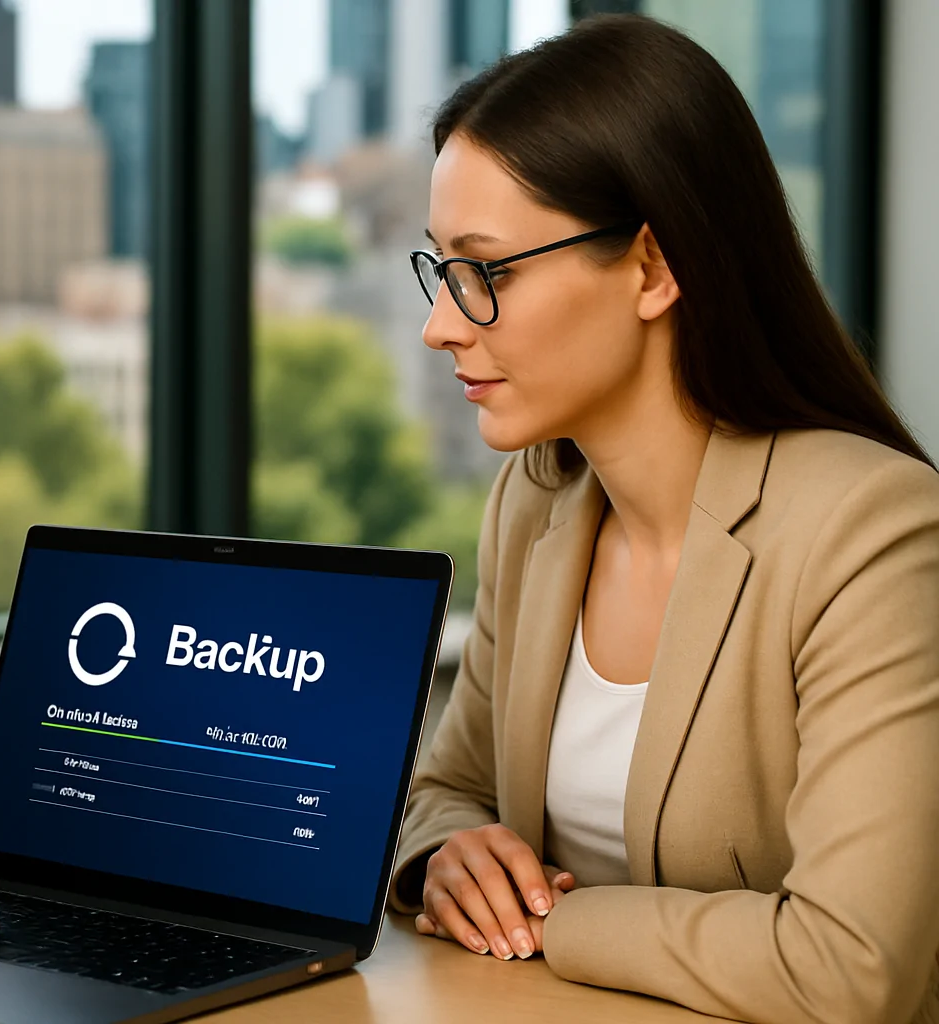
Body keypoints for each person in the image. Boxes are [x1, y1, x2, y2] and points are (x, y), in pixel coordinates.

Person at [392, 14, 939, 1024]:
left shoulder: (871, 533)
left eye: (489, 274)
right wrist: (448, 857)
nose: (439, 326)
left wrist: (557, 921)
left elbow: (852, 968)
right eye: (442, 271)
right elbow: (445, 788)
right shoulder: (535, 500)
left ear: (652, 267)